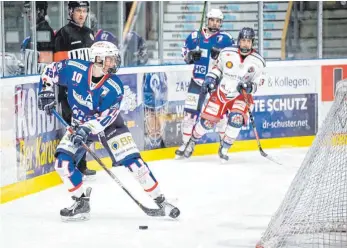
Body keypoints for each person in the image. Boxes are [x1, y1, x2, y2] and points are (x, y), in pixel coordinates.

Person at [37, 41, 180, 221]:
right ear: (97, 59)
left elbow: (107, 117)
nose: (114, 63)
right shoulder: (75, 69)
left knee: (135, 165)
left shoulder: (114, 86)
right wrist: (46, 91)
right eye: (110, 60)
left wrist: (86, 129)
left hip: (110, 126)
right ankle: (81, 202)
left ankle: (160, 200)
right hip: (79, 124)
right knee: (62, 164)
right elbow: (49, 71)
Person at [182, 27, 266, 162]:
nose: (245, 44)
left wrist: (251, 87)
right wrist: (211, 78)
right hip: (222, 91)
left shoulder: (258, 61)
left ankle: (225, 147)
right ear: (239, 40)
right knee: (207, 122)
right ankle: (192, 140)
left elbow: (259, 81)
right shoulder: (227, 52)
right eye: (243, 40)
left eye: (248, 41)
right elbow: (217, 68)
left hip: (241, 95)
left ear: (252, 42)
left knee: (236, 119)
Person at [175, 8, 234, 158]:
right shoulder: (195, 36)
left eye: (218, 21)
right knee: (189, 115)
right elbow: (184, 53)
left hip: (216, 83)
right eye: (212, 20)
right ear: (207, 20)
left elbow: (233, 60)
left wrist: (220, 56)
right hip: (197, 82)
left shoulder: (226, 38)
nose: (215, 23)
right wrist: (190, 55)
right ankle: (186, 144)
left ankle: (223, 145)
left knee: (220, 117)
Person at [54, 1, 96, 177]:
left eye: (84, 11)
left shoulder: (89, 33)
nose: (82, 14)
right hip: (69, 91)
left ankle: (82, 165)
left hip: (86, 91)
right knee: (73, 128)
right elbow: (59, 65)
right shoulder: (63, 34)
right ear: (70, 12)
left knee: (85, 126)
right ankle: (70, 166)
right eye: (78, 10)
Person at [21, 1, 55, 74]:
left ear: (41, 12)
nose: (28, 15)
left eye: (31, 11)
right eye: (27, 11)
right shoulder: (38, 29)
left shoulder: (43, 30)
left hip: (39, 77)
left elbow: (46, 60)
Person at [142, 72, 168, 149]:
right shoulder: (164, 95)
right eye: (157, 134)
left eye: (153, 134)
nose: (155, 129)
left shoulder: (145, 95)